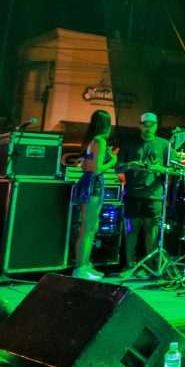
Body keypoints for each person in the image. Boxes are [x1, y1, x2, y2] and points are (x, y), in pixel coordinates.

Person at [116, 112, 171, 278]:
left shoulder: (165, 144)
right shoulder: (129, 144)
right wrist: (129, 165)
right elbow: (117, 168)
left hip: (154, 195)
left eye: (151, 125)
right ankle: (129, 265)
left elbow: (173, 169)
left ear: (156, 126)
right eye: (145, 125)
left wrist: (160, 168)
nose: (148, 128)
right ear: (140, 126)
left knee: (151, 229)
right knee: (132, 229)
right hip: (133, 193)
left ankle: (149, 266)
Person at [72, 109, 117, 280]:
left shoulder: (91, 141)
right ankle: (80, 268)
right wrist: (113, 160)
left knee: (90, 227)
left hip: (87, 183)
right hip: (94, 185)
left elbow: (84, 165)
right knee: (88, 228)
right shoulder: (100, 141)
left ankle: (85, 265)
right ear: (106, 125)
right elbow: (97, 169)